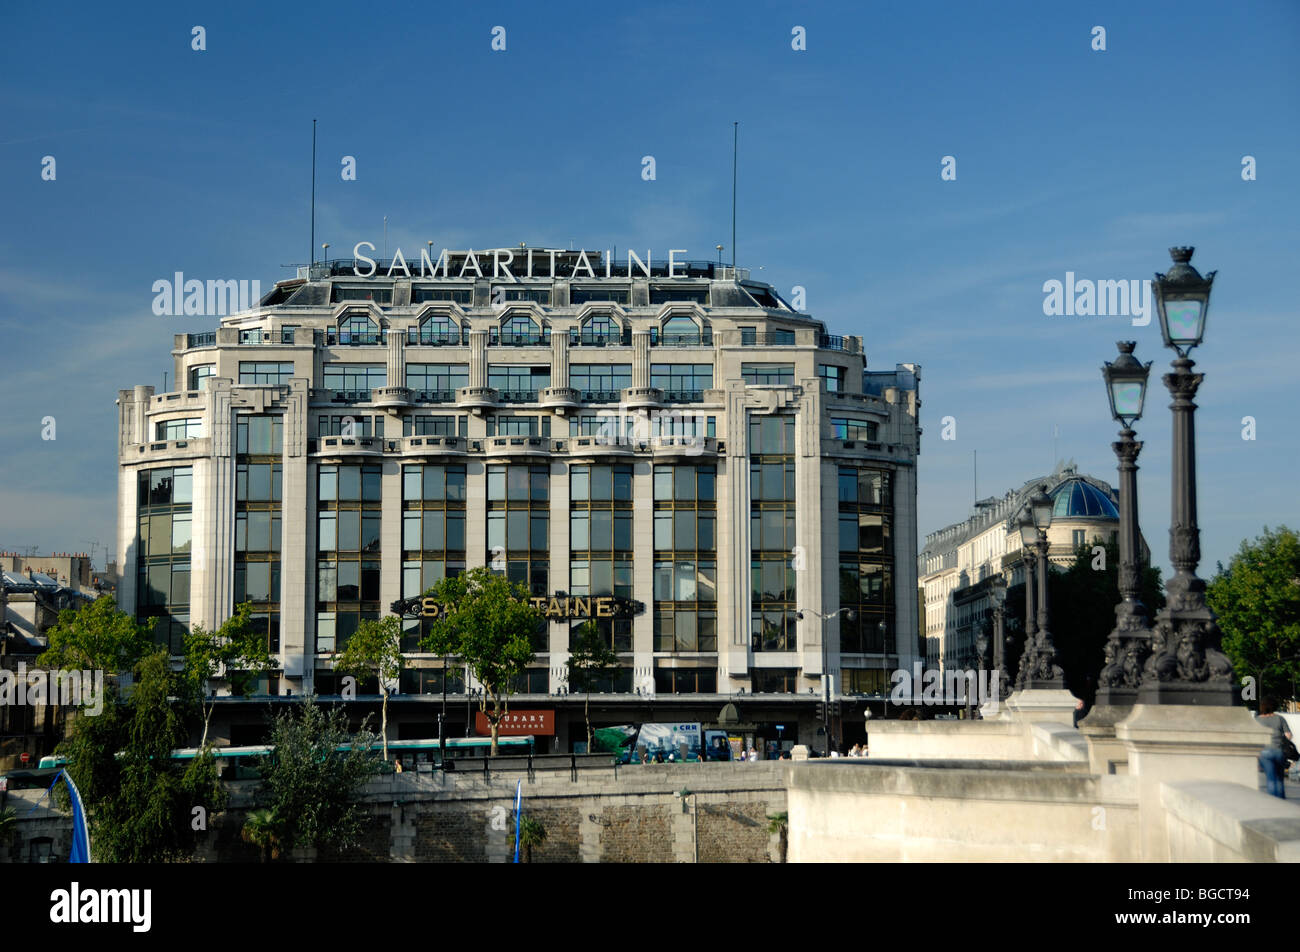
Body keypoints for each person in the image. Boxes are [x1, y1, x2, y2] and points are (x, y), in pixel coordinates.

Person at [1256, 697, 1292, 799]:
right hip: (1278, 750)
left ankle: (1273, 801)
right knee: (1279, 778)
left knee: (1270, 779)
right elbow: (1288, 735)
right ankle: (1281, 801)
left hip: (1264, 752)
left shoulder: (1258, 720)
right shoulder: (1279, 719)